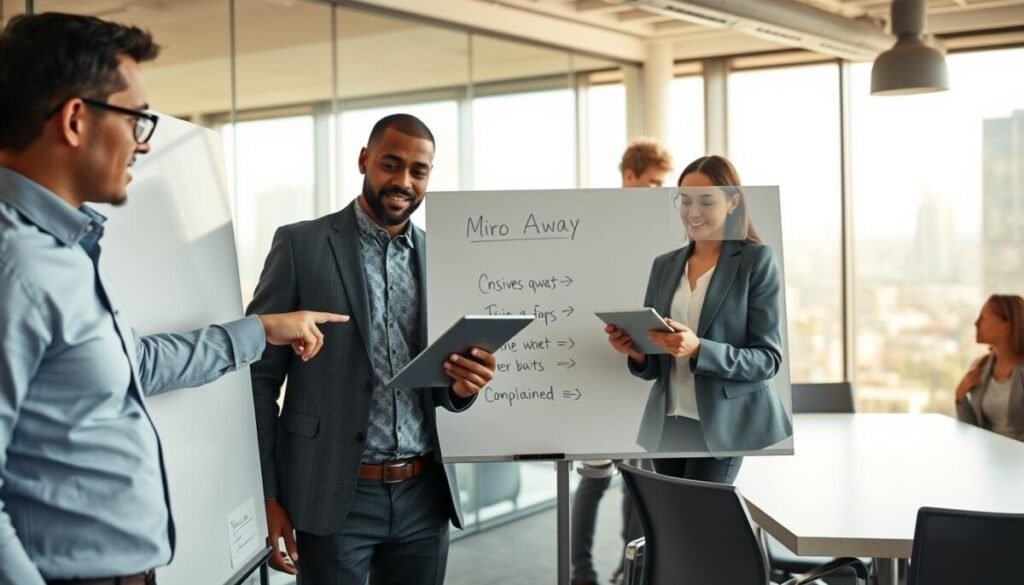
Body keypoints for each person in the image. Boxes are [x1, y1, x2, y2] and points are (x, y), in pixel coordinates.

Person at [0, 13, 347, 585]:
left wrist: (260, 329)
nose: (142, 142)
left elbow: (135, 364)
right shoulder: (16, 267)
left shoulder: (65, 250)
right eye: (137, 118)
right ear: (74, 119)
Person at [246, 113, 497, 585]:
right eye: (391, 164)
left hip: (424, 493)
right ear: (364, 160)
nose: (403, 181)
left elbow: (441, 381)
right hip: (333, 492)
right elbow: (259, 379)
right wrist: (268, 494)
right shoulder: (302, 244)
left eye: (418, 171)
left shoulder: (442, 255)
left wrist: (464, 387)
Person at [604, 154, 791, 483]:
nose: (693, 212)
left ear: (733, 202)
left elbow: (767, 360)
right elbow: (656, 362)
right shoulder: (664, 265)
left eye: (706, 201)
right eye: (685, 201)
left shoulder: (755, 260)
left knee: (700, 524)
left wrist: (698, 348)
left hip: (722, 426)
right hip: (669, 422)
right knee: (672, 524)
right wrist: (636, 351)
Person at [571, 138, 672, 585]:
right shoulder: (595, 221)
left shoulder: (663, 228)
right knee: (594, 479)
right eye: (652, 182)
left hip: (641, 370)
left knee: (638, 478)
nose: (658, 192)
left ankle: (630, 568)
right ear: (629, 175)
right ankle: (581, 571)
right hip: (594, 369)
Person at [955, 294, 1024, 441]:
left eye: (984, 317)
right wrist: (960, 396)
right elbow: (973, 429)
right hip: (988, 456)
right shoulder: (980, 367)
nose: (976, 323)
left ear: (1007, 324)